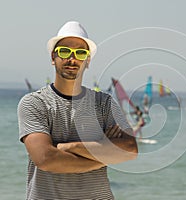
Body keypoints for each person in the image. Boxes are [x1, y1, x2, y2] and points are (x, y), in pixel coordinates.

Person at [17, 21, 138, 200]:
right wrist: (103, 154)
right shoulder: (34, 103)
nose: (72, 59)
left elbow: (130, 149)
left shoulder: (104, 103)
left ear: (87, 61)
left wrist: (71, 147)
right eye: (65, 51)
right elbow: (45, 158)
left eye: (80, 53)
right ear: (53, 57)